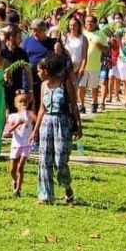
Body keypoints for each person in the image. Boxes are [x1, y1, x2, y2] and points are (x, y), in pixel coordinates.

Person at [31, 54, 82, 204]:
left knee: (60, 160)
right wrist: (35, 131)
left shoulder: (65, 84)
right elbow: (41, 109)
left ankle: (67, 188)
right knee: (44, 161)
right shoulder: (43, 86)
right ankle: (46, 196)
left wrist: (78, 126)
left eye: (40, 70)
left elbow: (73, 105)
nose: (38, 73)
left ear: (47, 70)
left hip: (62, 123)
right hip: (46, 123)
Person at [4, 90, 34, 197]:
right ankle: (15, 180)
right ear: (16, 105)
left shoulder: (30, 114)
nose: (23, 104)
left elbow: (37, 120)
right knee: (12, 169)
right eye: (20, 102)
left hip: (26, 144)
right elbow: (8, 131)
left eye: (25, 102)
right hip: (16, 144)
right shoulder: (12, 116)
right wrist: (17, 123)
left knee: (20, 166)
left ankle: (18, 189)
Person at [22, 18, 55, 111]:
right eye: (33, 30)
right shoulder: (27, 41)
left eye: (38, 31)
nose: (35, 33)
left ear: (44, 30)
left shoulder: (51, 43)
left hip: (45, 77)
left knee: (44, 102)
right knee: (30, 103)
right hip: (30, 77)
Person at [81, 15, 108, 113]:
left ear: (95, 23)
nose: (89, 23)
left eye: (91, 21)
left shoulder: (100, 34)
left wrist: (99, 46)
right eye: (87, 21)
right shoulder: (82, 34)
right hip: (82, 66)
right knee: (81, 86)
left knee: (94, 86)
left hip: (95, 65)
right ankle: (81, 105)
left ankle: (94, 102)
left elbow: (106, 50)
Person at [63, 17, 88, 111]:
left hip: (78, 65)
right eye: (70, 25)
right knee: (67, 87)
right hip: (67, 65)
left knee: (75, 87)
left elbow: (84, 56)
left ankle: (75, 107)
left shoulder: (83, 39)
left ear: (78, 26)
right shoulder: (65, 37)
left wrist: (82, 68)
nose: (72, 27)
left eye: (74, 25)